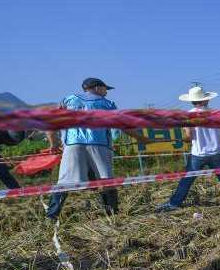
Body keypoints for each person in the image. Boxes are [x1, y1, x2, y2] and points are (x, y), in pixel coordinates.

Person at [45, 78, 148, 220]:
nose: (106, 92)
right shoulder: (107, 104)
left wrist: (54, 143)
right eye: (106, 89)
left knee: (64, 182)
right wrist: (141, 138)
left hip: (73, 144)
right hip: (99, 145)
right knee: (106, 180)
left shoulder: (68, 100)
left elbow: (50, 123)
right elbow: (123, 125)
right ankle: (112, 214)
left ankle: (51, 216)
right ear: (98, 88)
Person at [156, 86, 220, 211]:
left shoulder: (189, 115)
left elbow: (189, 136)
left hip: (198, 153)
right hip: (216, 151)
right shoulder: (216, 113)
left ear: (192, 100)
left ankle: (174, 204)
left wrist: (185, 129)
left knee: (187, 179)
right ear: (205, 100)